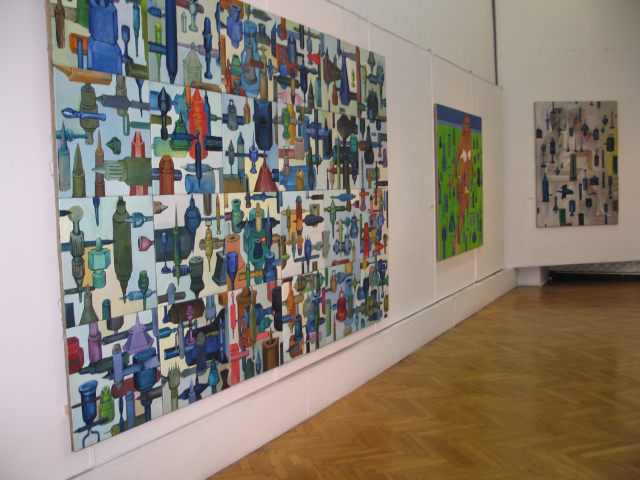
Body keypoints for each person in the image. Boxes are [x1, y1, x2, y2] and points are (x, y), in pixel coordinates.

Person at [452, 114, 473, 253]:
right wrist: (453, 177)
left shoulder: (470, 140)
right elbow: (456, 161)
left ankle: (458, 238)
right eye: (465, 124)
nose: (467, 127)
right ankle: (456, 238)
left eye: (468, 125)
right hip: (461, 179)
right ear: (462, 126)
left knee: (464, 209)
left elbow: (471, 159)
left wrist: (474, 170)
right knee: (460, 209)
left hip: (468, 180)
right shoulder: (460, 140)